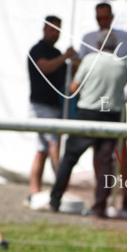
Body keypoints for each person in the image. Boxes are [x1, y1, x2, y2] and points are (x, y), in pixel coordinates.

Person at [80, 2, 127, 217]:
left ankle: (125, 197)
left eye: (105, 18)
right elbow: (79, 64)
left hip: (115, 103)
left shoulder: (125, 37)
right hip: (96, 102)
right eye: (99, 18)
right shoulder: (88, 38)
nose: (102, 22)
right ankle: (100, 198)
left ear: (111, 17)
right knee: (99, 151)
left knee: (121, 150)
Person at [49, 31, 127, 217]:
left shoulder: (89, 60)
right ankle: (100, 207)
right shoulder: (122, 64)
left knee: (69, 159)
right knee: (105, 164)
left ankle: (55, 200)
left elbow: (73, 88)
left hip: (88, 113)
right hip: (111, 116)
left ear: (99, 44)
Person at [27, 15, 77, 203]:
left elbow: (68, 79)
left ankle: (34, 191)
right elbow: (44, 67)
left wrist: (75, 62)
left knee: (42, 150)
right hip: (40, 107)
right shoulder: (37, 50)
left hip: (55, 107)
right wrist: (65, 57)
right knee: (53, 145)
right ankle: (60, 189)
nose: (55, 33)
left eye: (58, 30)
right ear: (44, 29)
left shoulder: (56, 52)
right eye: (52, 29)